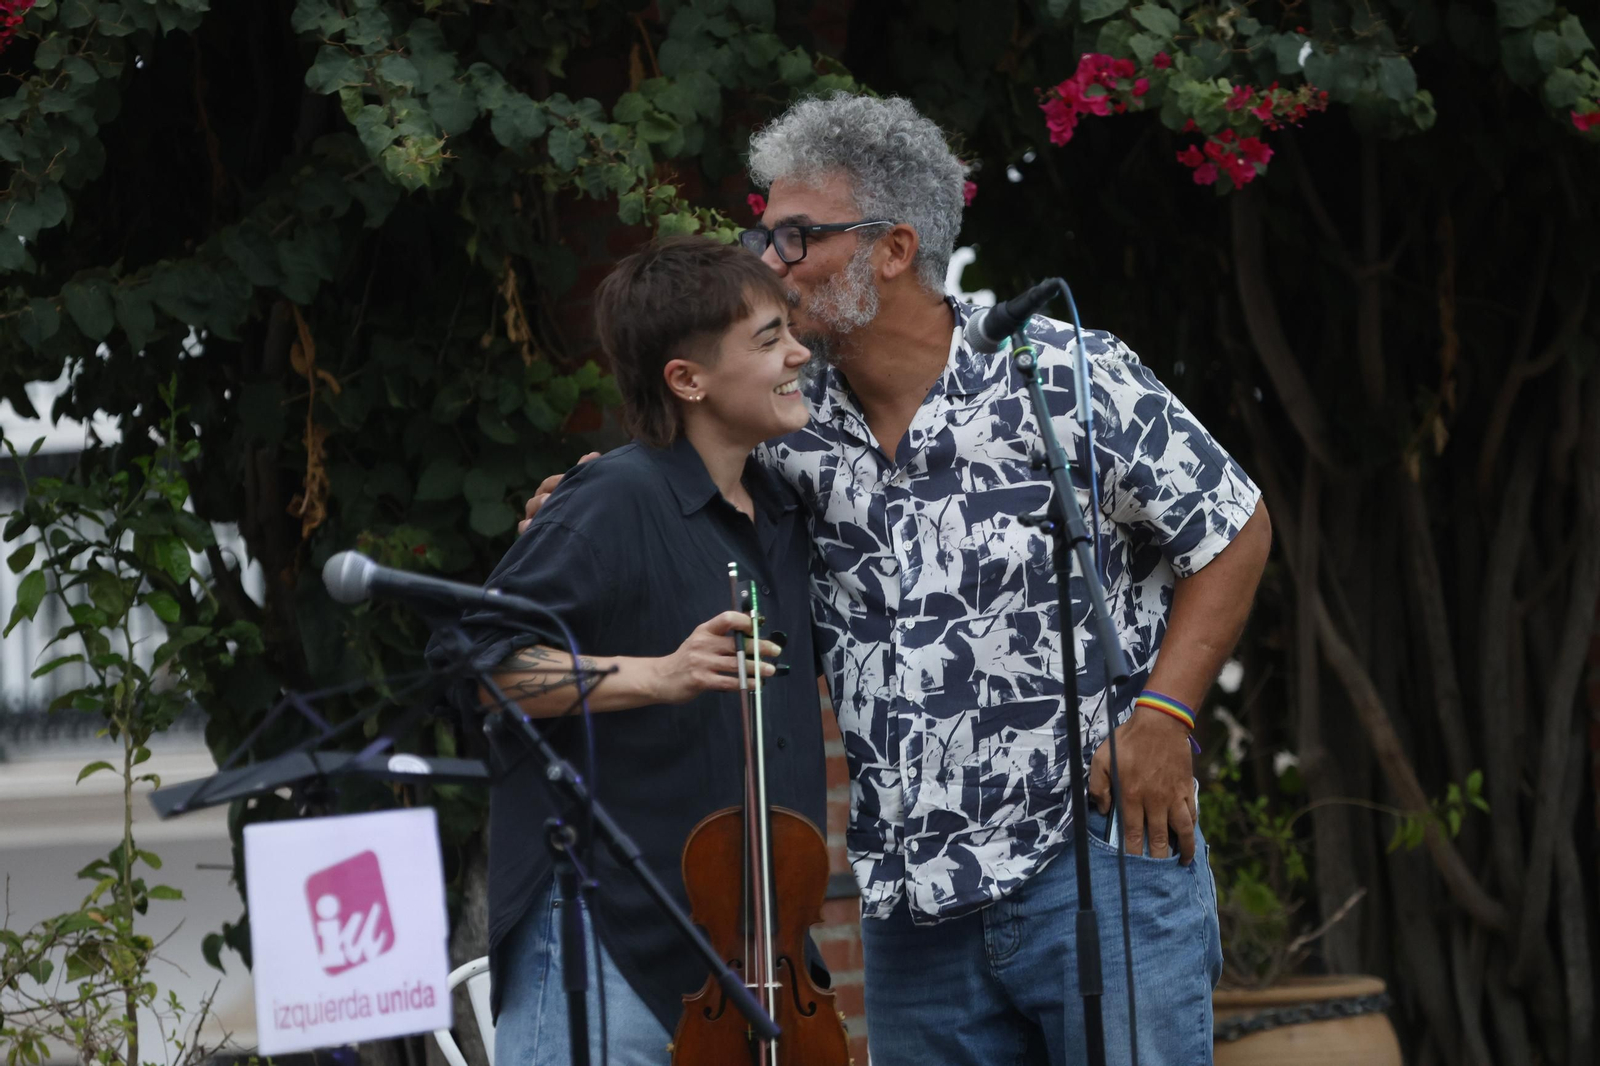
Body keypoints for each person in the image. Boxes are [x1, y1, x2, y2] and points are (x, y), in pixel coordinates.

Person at [524, 94, 1272, 1066]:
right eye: (764, 232)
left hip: (1095, 865)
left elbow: (1232, 526)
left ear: (892, 249)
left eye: (797, 236)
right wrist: (579, 506)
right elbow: (679, 479)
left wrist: (1166, 716)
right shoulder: (787, 418)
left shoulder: (1063, 375)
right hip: (915, 907)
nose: (770, 262)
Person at [435, 236, 829, 1066]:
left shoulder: (783, 508)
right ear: (687, 380)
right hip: (605, 940)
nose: (798, 353)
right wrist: (658, 674)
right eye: (768, 340)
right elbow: (476, 665)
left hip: (748, 957)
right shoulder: (614, 495)